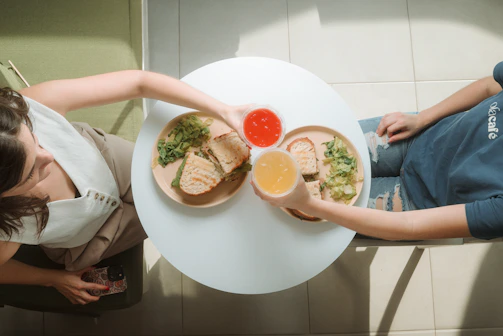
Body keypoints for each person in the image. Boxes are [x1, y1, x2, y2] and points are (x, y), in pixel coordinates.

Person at [0, 70, 249, 305]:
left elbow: (138, 83)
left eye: (36, 140)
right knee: (182, 222)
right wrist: (52, 279)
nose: (50, 157)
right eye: (31, 171)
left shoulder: (32, 106)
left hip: (108, 160)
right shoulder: (6, 227)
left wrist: (224, 110)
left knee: (198, 200)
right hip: (93, 237)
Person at [253, 61, 503, 241]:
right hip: (418, 136)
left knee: (290, 225)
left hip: (419, 203)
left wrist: (307, 203)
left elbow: (410, 226)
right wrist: (423, 118)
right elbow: (490, 86)